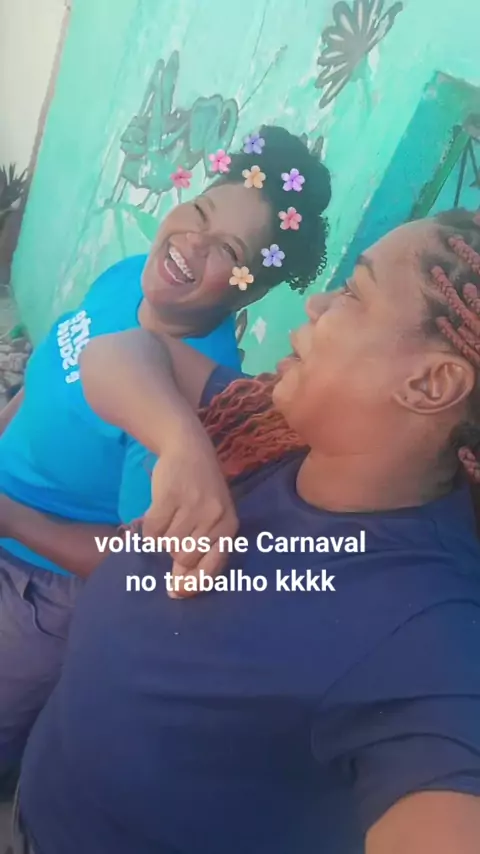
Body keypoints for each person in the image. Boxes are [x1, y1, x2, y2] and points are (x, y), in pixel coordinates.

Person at [16, 208, 480, 854]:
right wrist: (182, 443)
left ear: (431, 383)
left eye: (354, 293)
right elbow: (122, 351)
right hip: (38, 804)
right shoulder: (270, 432)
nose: (317, 304)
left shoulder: (430, 630)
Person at [0, 125, 332, 779]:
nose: (192, 242)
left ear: (249, 289)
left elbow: (135, 560)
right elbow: (45, 376)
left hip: (39, 590)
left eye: (228, 249)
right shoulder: (129, 277)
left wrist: (11, 519)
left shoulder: (192, 410)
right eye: (201, 211)